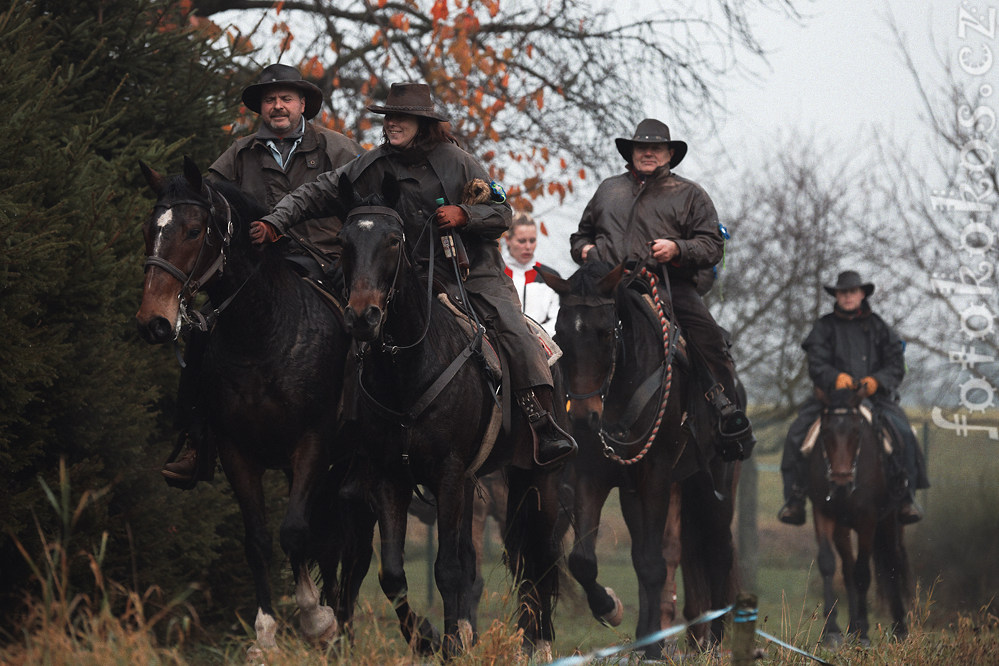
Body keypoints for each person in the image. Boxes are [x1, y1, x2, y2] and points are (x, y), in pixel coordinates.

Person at [253, 81, 577, 468]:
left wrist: (465, 215)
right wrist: (275, 221)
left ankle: (541, 422)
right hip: (403, 278)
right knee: (347, 330)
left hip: (470, 271)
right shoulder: (371, 164)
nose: (391, 124)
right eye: (388, 117)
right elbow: (316, 192)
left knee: (513, 328)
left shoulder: (458, 161)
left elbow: (502, 213)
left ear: (423, 123)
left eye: (400, 118)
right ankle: (350, 434)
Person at [161, 63, 363, 486]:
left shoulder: (338, 148)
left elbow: (366, 206)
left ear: (303, 104)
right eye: (270, 100)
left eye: (286, 98)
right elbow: (206, 200)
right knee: (203, 332)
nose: (278, 106)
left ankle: (365, 442)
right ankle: (198, 444)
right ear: (261, 109)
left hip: (323, 266)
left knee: (364, 334)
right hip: (256, 272)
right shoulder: (239, 152)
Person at [569, 118, 754, 460]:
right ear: (632, 152)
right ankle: (559, 418)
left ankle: (728, 420)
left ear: (670, 154)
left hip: (668, 286)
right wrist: (585, 250)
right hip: (609, 287)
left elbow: (712, 246)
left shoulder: (690, 194)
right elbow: (581, 234)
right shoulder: (608, 189)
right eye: (642, 147)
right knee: (570, 333)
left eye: (656, 148)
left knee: (710, 340)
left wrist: (677, 249)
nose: (648, 153)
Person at [777, 270, 929, 526]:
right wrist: (833, 378)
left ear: (861, 294)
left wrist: (877, 381)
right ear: (836, 295)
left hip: (874, 399)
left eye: (852, 292)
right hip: (829, 399)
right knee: (796, 435)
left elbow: (895, 362)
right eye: (842, 292)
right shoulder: (823, 327)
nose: (847, 297)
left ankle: (906, 497)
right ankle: (795, 498)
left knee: (904, 433)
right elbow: (816, 362)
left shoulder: (879, 326)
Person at [502, 212, 561, 337]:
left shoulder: (550, 276)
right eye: (522, 241)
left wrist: (537, 337)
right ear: (508, 240)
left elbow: (558, 317)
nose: (528, 247)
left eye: (532, 240)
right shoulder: (496, 273)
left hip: (543, 347)